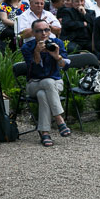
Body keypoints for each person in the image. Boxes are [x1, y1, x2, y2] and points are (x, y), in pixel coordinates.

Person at [21, 19, 71, 147]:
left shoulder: (57, 43)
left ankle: (45, 133)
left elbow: (65, 66)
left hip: (55, 83)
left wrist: (57, 56)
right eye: (39, 31)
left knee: (43, 94)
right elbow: (33, 69)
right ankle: (59, 119)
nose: (43, 33)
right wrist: (36, 52)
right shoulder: (28, 47)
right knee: (47, 82)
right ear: (33, 33)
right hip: (34, 83)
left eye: (46, 30)